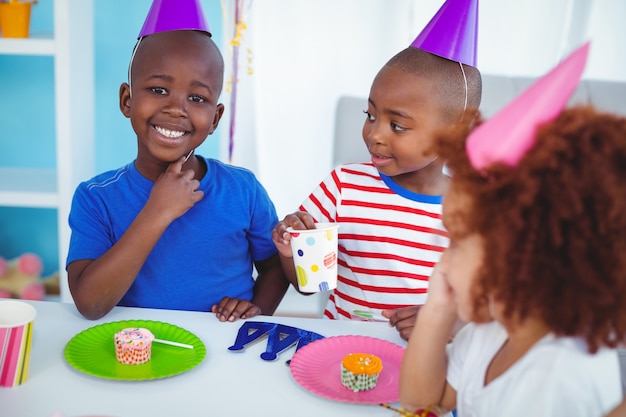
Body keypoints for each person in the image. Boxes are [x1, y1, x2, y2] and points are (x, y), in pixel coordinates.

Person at [399, 43, 626, 416]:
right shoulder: (496, 329)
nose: (443, 257)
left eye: (456, 242)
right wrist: (438, 310)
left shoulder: (560, 380)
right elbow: (425, 402)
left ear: (519, 259)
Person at [66, 0, 289, 321]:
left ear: (215, 118)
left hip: (225, 351)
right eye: (158, 89)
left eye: (197, 98)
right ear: (127, 100)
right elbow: (89, 304)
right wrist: (158, 211)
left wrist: (256, 312)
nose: (176, 109)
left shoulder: (243, 190)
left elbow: (273, 267)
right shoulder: (95, 198)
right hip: (136, 353)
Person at [272, 0, 481, 340]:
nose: (375, 134)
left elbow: (483, 306)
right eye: (371, 115)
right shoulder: (342, 186)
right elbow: (309, 287)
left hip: (420, 362)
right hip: (337, 348)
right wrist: (291, 250)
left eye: (397, 125)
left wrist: (448, 322)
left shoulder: (474, 211)